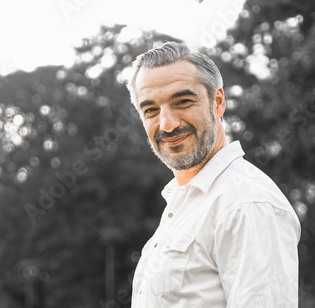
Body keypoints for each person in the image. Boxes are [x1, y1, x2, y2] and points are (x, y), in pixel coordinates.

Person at [126, 41, 301, 307]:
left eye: (182, 102)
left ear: (217, 102)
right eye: (150, 110)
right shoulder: (185, 203)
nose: (167, 124)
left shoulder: (246, 203)